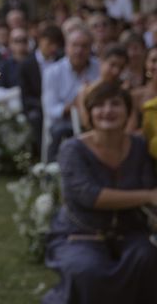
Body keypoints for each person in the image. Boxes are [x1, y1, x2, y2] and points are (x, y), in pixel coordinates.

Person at [43, 81, 157, 303]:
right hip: (79, 233)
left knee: (148, 259)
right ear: (90, 113)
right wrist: (148, 195)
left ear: (127, 111)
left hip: (130, 231)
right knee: (87, 270)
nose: (107, 110)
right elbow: (89, 195)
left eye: (115, 104)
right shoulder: (72, 149)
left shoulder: (139, 147)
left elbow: (148, 183)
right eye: (99, 105)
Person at [42, 26, 100, 161]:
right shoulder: (52, 72)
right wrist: (74, 105)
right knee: (61, 131)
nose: (79, 51)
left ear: (90, 48)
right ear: (67, 47)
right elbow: (51, 109)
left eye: (84, 46)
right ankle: (52, 173)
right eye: (75, 45)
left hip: (94, 119)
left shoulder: (99, 67)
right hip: (64, 121)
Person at [19, 24, 63, 158]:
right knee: (36, 118)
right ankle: (42, 156)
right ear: (41, 40)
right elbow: (26, 97)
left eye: (56, 44)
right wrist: (44, 105)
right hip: (37, 108)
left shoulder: (61, 61)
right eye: (50, 43)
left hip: (59, 105)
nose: (53, 48)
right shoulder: (26, 64)